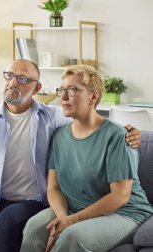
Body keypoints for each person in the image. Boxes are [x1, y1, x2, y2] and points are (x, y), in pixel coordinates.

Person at [0, 59, 142, 252]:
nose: (13, 82)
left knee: (12, 220)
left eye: (22, 79)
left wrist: (128, 131)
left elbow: (91, 121)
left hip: (31, 201)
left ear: (37, 88)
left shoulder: (54, 117)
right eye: (8, 75)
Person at [21, 65, 153, 252]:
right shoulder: (59, 136)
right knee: (34, 228)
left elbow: (120, 196)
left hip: (124, 213)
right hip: (75, 208)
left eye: (72, 90)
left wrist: (72, 221)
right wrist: (62, 217)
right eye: (62, 90)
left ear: (94, 96)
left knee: (72, 237)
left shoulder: (117, 136)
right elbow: (54, 187)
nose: (63, 97)